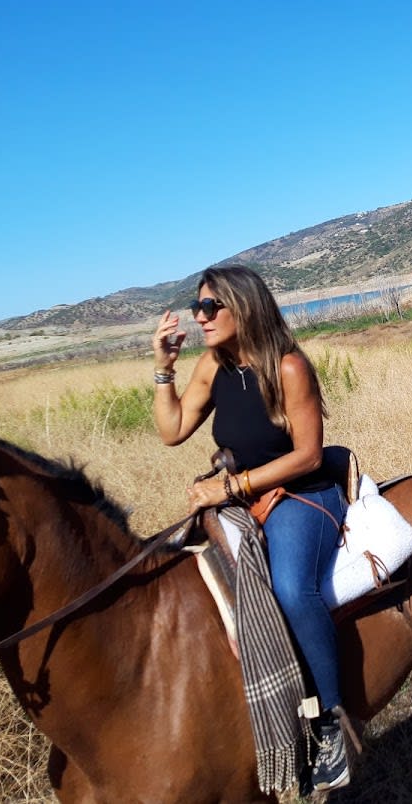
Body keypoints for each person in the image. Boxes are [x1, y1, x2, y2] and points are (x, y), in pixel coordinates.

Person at [151, 265, 350, 792]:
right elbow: (171, 431)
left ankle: (332, 721)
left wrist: (230, 489)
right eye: (198, 308)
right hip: (242, 498)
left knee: (289, 587)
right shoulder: (211, 368)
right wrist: (163, 368)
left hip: (303, 496)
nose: (200, 317)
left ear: (244, 306)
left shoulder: (287, 368)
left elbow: (308, 455)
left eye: (211, 307)